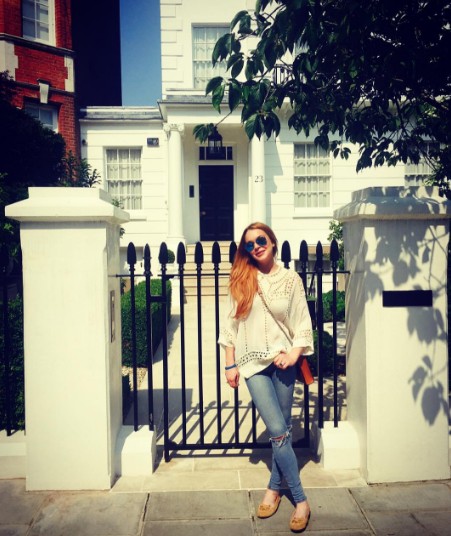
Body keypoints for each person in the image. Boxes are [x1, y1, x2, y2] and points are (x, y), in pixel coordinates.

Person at [218, 222, 314, 533]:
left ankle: (273, 488)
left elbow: (302, 322)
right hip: (251, 364)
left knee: (282, 430)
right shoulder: (241, 279)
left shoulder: (291, 279)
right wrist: (230, 365)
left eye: (261, 240)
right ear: (245, 250)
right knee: (276, 429)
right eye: (249, 244)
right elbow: (230, 327)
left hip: (283, 363)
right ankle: (301, 500)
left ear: (272, 242)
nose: (256, 246)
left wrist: (294, 354)